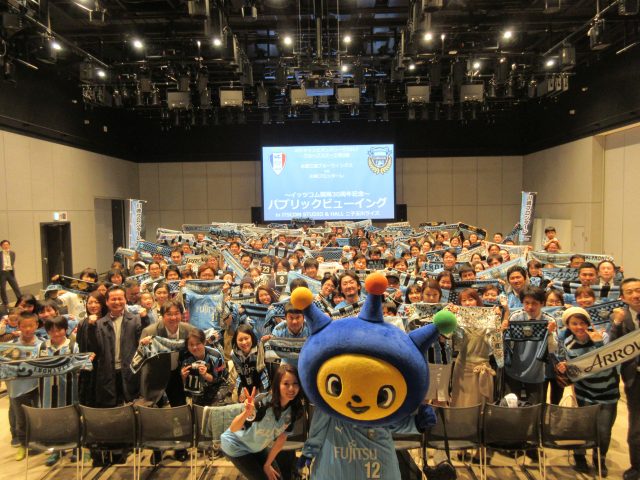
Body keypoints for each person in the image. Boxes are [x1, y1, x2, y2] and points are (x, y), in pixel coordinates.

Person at [556, 307, 618, 477]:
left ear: (588, 323)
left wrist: (598, 343)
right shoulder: (569, 344)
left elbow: (610, 362)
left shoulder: (603, 337)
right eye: (574, 323)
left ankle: (600, 459)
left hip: (608, 392)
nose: (579, 327)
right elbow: (574, 370)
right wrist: (564, 368)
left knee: (604, 430)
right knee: (582, 428)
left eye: (582, 323)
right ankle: (580, 457)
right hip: (584, 393)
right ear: (568, 325)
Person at [220, 365, 303, 480]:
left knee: (277, 477)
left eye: (295, 383)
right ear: (277, 385)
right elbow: (234, 428)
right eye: (286, 384)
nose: (291, 389)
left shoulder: (295, 409)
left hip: (256, 447)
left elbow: (281, 439)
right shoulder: (263, 403)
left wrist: (267, 464)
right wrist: (246, 413)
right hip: (236, 445)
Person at [38, 315, 81, 466]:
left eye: (59, 330)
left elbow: (78, 366)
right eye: (52, 331)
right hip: (48, 390)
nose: (56, 334)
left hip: (69, 388)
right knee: (52, 419)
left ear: (65, 329)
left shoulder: (72, 346)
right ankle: (56, 449)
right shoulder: (42, 347)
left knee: (71, 417)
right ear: (47, 331)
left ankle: (76, 447)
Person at [610, 278, 640, 480]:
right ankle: (636, 465)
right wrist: (616, 324)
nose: (636, 295)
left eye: (638, 290)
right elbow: (611, 347)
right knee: (636, 425)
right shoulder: (622, 318)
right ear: (623, 297)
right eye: (630, 292)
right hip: (634, 379)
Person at [6, 311, 41, 460]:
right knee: (21, 420)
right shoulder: (8, 348)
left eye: (31, 326)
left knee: (40, 416)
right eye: (24, 326)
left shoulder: (43, 345)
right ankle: (23, 444)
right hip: (17, 389)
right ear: (18, 326)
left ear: (36, 326)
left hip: (37, 387)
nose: (27, 329)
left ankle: (39, 441)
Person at [180, 328, 228, 406]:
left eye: (198, 343)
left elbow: (220, 378)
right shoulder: (185, 358)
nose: (194, 347)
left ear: (204, 342)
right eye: (191, 345)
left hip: (217, 386)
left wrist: (205, 375)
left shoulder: (216, 355)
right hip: (198, 389)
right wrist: (183, 376)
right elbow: (185, 384)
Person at [231, 324, 270, 401]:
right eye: (240, 340)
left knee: (261, 400)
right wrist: (243, 391)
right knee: (241, 400)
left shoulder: (260, 348)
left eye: (246, 338)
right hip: (244, 378)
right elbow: (240, 374)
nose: (244, 342)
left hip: (261, 377)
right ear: (236, 341)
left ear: (252, 338)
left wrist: (257, 391)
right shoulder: (234, 354)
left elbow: (261, 371)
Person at [0, 239, 22, 307]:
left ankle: (20, 301)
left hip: (10, 273)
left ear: (9, 245)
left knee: (16, 287)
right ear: (1, 246)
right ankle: (5, 303)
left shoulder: (12, 253)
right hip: (2, 273)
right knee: (2, 288)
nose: (6, 246)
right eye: (4, 245)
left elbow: (12, 262)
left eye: (7, 244)